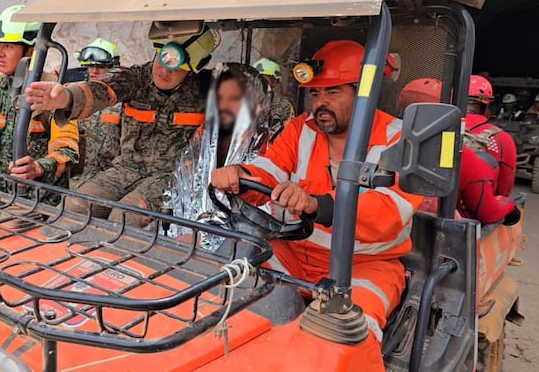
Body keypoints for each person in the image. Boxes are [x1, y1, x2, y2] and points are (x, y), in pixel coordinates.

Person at [210, 40, 422, 343]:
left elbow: (389, 211)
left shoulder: (397, 139)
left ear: (364, 95)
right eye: (316, 93)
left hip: (364, 267)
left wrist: (314, 204)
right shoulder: (301, 128)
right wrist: (240, 175)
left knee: (345, 334)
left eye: (332, 92)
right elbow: (269, 170)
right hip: (294, 252)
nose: (320, 103)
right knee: (222, 282)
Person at [26, 25, 216, 227]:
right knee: (73, 205)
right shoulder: (137, 79)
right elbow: (102, 89)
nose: (164, 70)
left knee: (125, 217)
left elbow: (245, 90)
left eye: (177, 67)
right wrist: (66, 97)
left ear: (193, 69)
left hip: (172, 176)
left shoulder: (206, 89)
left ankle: (104, 259)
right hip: (126, 168)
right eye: (162, 58)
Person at [0, 5, 79, 204]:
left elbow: (67, 149)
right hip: (4, 198)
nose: (0, 53)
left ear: (31, 51)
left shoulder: (52, 92)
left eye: (9, 46)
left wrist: (39, 168)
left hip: (43, 204)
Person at [398, 78, 521, 225]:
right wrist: (507, 204)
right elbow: (491, 207)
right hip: (439, 229)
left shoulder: (382, 136)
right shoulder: (464, 152)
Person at [70, 38, 122, 187]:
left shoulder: (122, 104)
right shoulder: (78, 99)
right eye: (90, 66)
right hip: (76, 180)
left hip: (108, 181)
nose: (94, 71)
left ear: (113, 67)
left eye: (101, 66)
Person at [466, 75, 517, 197]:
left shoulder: (437, 129)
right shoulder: (501, 139)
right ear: (486, 105)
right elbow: (503, 191)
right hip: (478, 210)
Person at [253, 57, 294, 136]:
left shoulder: (284, 106)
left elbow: (288, 136)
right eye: (256, 79)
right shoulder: (240, 102)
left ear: (275, 82)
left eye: (264, 80)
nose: (259, 83)